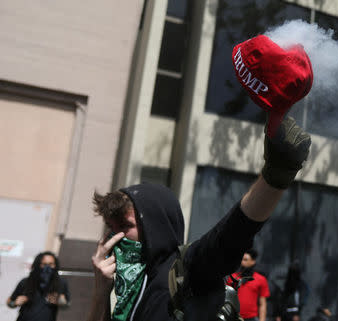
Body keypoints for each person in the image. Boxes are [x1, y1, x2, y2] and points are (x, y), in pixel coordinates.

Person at [86, 118, 311, 321]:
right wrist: (100, 295)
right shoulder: (120, 284)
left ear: (154, 226)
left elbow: (233, 232)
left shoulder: (187, 270)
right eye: (111, 228)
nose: (115, 237)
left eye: (125, 226)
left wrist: (276, 174)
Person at [6, 251, 70, 321]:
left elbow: (67, 304)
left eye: (51, 264)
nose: (47, 267)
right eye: (44, 264)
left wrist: (61, 302)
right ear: (38, 265)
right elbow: (10, 302)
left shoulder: (61, 283)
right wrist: (15, 303)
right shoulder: (26, 282)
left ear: (55, 265)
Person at [227, 249, 271, 321]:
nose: (242, 262)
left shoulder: (261, 279)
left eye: (245, 260)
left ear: (253, 262)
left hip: (251, 318)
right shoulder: (232, 278)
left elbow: (262, 303)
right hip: (233, 317)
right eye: (242, 259)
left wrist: (262, 319)